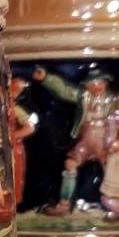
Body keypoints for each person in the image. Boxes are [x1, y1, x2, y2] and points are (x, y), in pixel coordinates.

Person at [32, 66, 117, 215]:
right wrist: (46, 78)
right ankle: (64, 204)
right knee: (70, 164)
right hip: (86, 138)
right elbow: (65, 90)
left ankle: (114, 204)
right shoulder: (83, 96)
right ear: (86, 86)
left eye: (99, 83)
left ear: (106, 83)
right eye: (92, 84)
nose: (96, 87)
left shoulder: (114, 99)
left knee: (112, 169)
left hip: (105, 139)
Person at [10, 77, 36, 204]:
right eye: (13, 89)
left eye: (18, 90)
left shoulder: (16, 109)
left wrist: (13, 135)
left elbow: (30, 128)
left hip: (14, 147)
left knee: (14, 175)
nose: (14, 93)